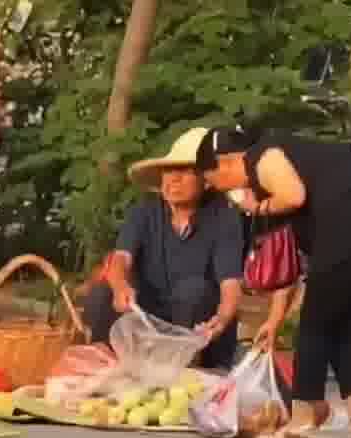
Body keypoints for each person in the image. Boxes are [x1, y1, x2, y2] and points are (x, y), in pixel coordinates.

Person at [206, 124, 351, 437]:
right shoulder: (292, 174)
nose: (223, 192)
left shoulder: (263, 155)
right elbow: (288, 263)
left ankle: (304, 417)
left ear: (226, 162)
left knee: (315, 325)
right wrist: (274, 319)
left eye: (216, 183)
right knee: (342, 322)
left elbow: (294, 196)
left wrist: (256, 207)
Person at [86, 128, 245, 371]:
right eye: (168, 171)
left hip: (196, 324)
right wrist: (120, 287)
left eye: (184, 171)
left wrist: (222, 319)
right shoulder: (144, 211)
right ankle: (102, 367)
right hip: (148, 313)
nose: (173, 179)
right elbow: (121, 258)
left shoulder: (224, 217)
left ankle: (185, 368)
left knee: (194, 290)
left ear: (207, 180)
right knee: (102, 293)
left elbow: (230, 284)